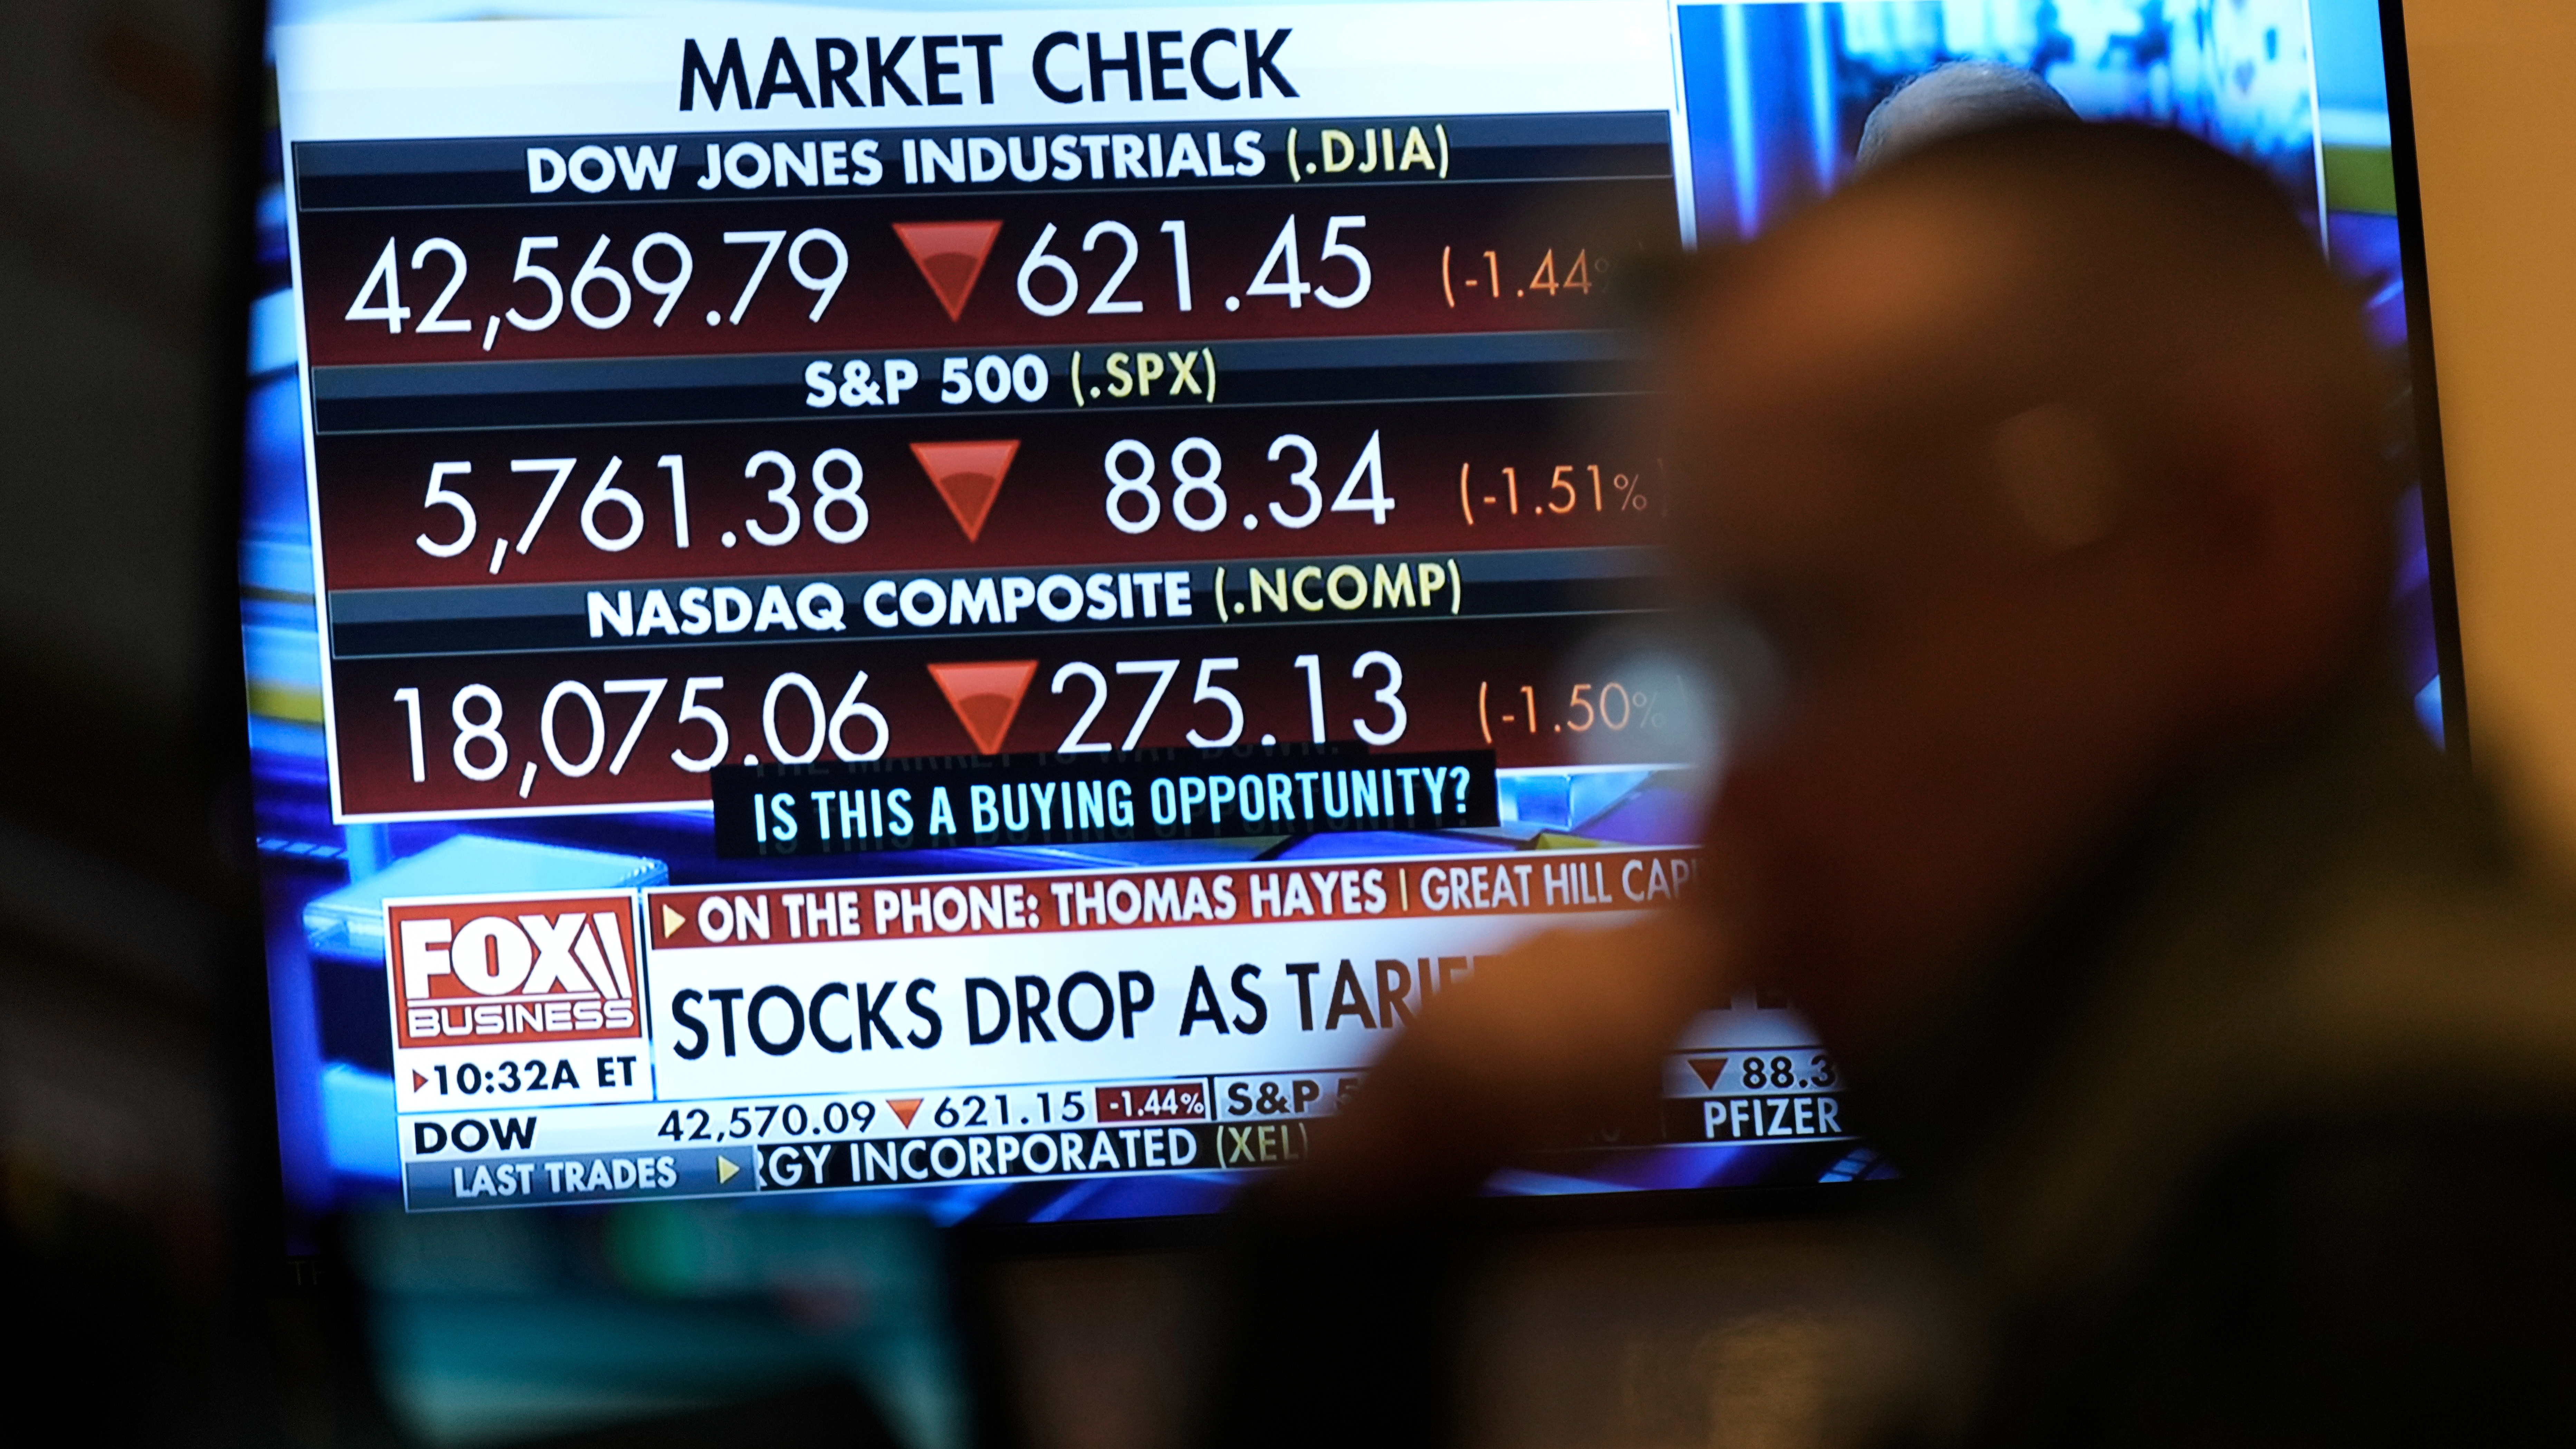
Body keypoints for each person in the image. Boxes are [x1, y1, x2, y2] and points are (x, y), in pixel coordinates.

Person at [1204, 120, 2576, 1445]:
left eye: (1803, 633)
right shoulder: (2150, 1194)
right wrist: (1375, 1196)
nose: (1731, 810)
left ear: (2237, 535)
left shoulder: (2382, 1251)